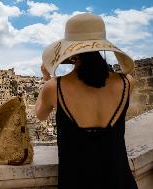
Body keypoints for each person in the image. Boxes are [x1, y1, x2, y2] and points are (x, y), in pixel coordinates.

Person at [35, 13, 138, 189]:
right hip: (121, 182)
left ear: (71, 53)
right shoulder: (127, 83)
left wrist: (46, 79)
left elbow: (40, 114)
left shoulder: (54, 88)